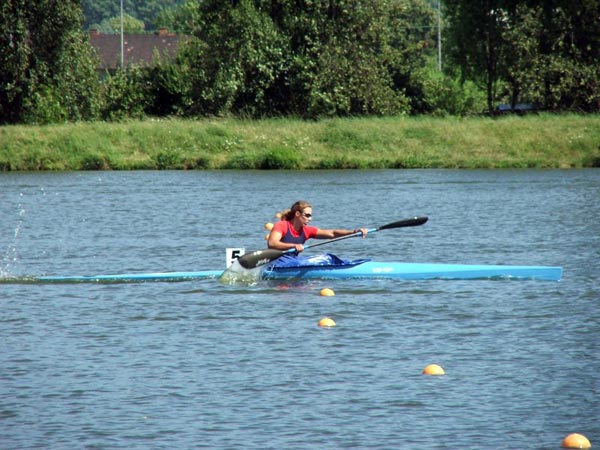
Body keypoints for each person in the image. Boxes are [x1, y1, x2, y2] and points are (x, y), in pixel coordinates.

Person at [267, 200, 368, 253]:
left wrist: (354, 232)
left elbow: (332, 233)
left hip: (292, 262)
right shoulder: (282, 225)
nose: (310, 219)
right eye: (307, 215)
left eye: (310, 216)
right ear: (297, 214)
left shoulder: (307, 230)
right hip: (276, 262)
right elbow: (272, 243)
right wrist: (293, 246)